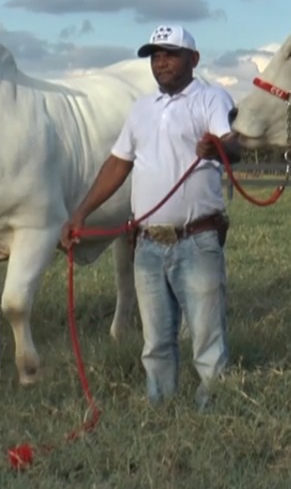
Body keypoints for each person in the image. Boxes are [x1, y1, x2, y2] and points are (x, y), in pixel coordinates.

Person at [60, 24, 242, 411]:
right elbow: (117, 164)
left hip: (196, 240)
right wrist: (81, 212)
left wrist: (217, 147)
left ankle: (215, 411)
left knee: (206, 338)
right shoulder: (141, 110)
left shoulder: (210, 99)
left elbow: (233, 143)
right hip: (147, 245)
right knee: (156, 341)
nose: (161, 62)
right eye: (155, 56)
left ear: (193, 59)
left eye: (170, 54)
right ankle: (159, 408)